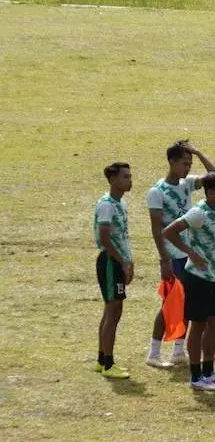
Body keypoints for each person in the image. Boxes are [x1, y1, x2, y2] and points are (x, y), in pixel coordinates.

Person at [145, 140, 215, 368]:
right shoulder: (157, 192)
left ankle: (178, 350)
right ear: (172, 162)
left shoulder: (186, 184)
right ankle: (154, 352)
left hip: (188, 254)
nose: (187, 168)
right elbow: (156, 229)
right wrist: (164, 259)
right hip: (173, 254)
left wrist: (199, 152)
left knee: (187, 302)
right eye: (184, 163)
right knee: (170, 303)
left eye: (190, 164)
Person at [163, 172, 215, 391]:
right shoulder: (198, 213)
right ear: (211, 192)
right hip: (197, 277)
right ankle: (196, 377)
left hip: (212, 276)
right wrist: (190, 252)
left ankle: (209, 371)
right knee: (198, 326)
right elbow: (169, 231)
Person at [94, 162, 134, 379]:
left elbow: (122, 236)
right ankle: (108, 363)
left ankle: (102, 359)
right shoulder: (107, 205)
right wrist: (122, 262)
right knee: (113, 310)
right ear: (112, 180)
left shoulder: (120, 203)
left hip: (117, 261)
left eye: (129, 176)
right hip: (110, 262)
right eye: (124, 177)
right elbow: (104, 237)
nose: (129, 180)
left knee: (112, 310)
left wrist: (129, 261)